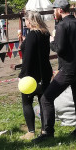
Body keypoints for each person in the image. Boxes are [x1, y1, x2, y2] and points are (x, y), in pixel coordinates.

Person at [36, 0, 76, 142]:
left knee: (46, 98)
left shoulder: (62, 26)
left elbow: (59, 49)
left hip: (68, 69)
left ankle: (48, 132)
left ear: (60, 10)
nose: (54, 12)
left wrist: (52, 41)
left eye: (54, 9)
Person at [18, 11, 53, 140]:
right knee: (43, 101)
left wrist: (23, 74)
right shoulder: (45, 33)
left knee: (27, 101)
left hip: (32, 73)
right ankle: (45, 129)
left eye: (25, 20)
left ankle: (31, 131)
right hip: (45, 71)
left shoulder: (33, 35)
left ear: (29, 20)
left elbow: (28, 57)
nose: (25, 22)